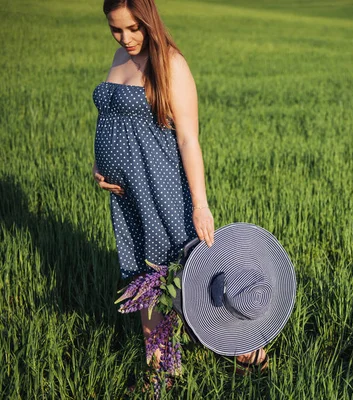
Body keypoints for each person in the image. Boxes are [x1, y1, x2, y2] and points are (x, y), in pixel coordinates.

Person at [92, 0, 267, 379]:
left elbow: (188, 140)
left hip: (163, 189)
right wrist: (99, 164)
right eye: (116, 29)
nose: (125, 37)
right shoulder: (120, 55)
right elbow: (112, 117)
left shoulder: (171, 64)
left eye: (133, 28)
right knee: (145, 278)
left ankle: (248, 344)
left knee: (192, 273)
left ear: (148, 19)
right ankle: (162, 370)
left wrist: (200, 206)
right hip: (126, 196)